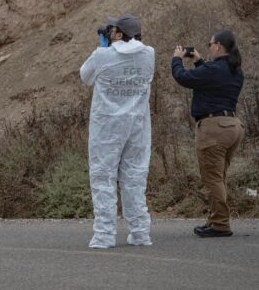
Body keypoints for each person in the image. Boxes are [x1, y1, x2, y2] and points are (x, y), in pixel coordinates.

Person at [80, 14, 155, 248]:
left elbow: (85, 77)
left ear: (120, 34)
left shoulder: (102, 55)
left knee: (103, 177)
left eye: (113, 30)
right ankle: (141, 233)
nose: (109, 33)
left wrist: (102, 48)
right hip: (137, 126)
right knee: (135, 177)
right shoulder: (149, 54)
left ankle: (104, 235)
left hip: (107, 127)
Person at [172, 30, 245, 238]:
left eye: (210, 43)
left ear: (219, 46)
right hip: (233, 126)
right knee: (219, 177)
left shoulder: (214, 69)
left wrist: (177, 59)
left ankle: (220, 224)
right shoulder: (235, 71)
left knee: (212, 178)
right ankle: (215, 220)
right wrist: (199, 61)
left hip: (214, 127)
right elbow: (209, 79)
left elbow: (183, 78)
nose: (209, 46)